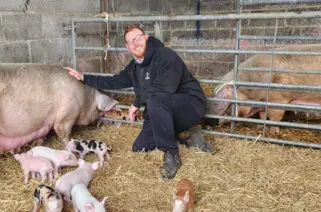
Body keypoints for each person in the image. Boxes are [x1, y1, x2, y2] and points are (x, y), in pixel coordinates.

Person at [65, 24, 213, 180]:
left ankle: (171, 154)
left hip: (191, 105)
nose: (136, 43)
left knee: (155, 100)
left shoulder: (165, 55)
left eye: (138, 38)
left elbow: (164, 88)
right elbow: (114, 81)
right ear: (128, 47)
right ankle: (190, 137)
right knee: (140, 147)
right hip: (164, 112)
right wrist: (85, 78)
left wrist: (137, 102)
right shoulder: (134, 67)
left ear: (146, 38)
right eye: (131, 42)